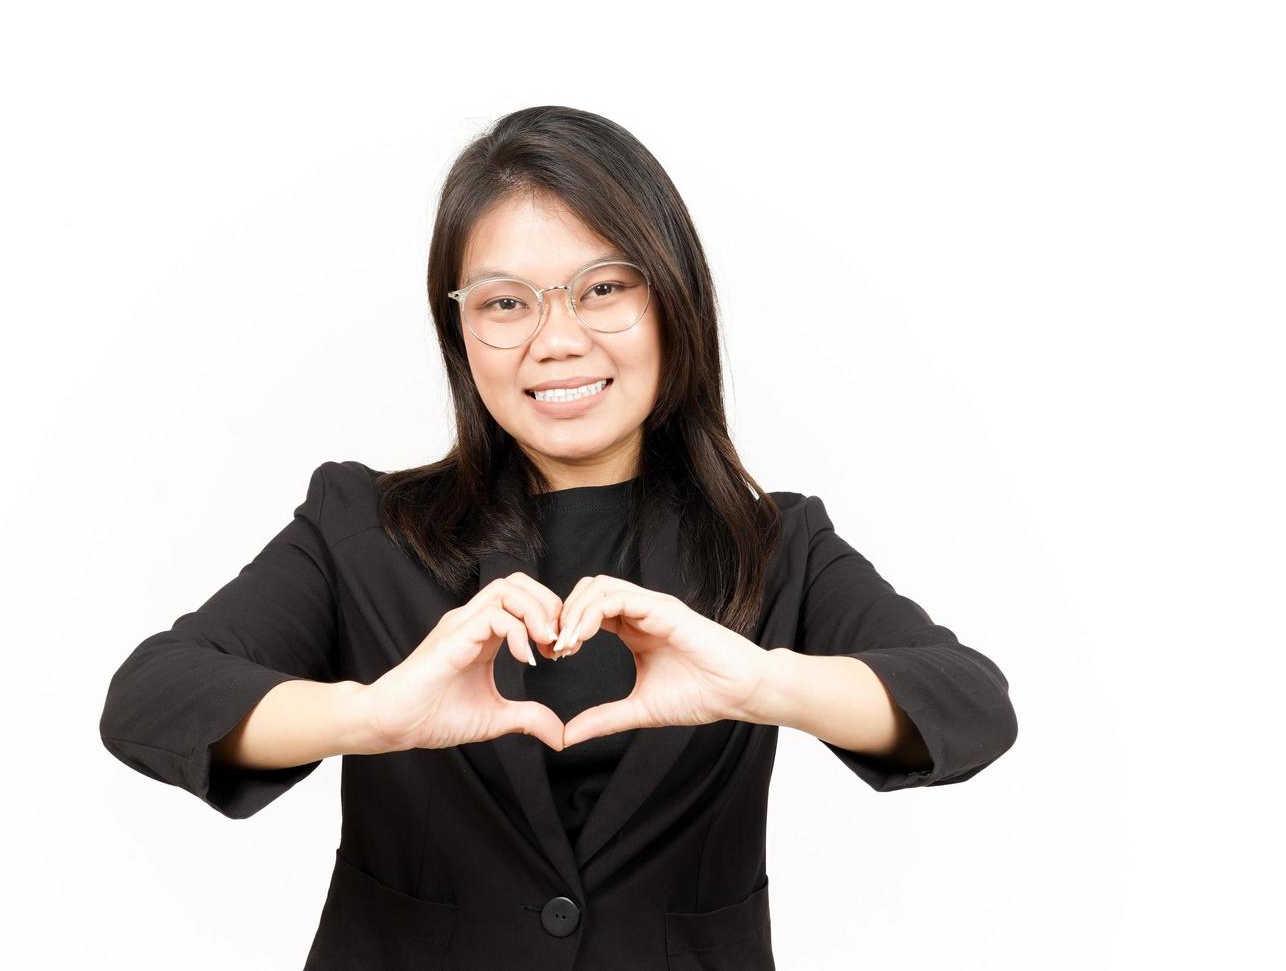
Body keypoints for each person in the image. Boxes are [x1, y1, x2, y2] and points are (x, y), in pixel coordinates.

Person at [98, 105, 1018, 970]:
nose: (558, 338)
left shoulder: (777, 545)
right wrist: (370, 716)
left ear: (674, 303)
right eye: (506, 303)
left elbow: (971, 706)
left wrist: (766, 683)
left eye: (604, 288)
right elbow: (152, 698)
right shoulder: (359, 528)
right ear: (460, 331)